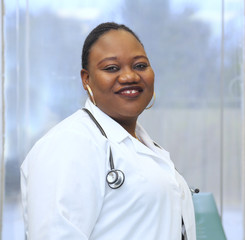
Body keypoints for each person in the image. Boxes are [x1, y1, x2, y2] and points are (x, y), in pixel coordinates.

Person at [20, 22, 196, 240]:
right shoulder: (69, 144)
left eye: (140, 65)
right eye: (111, 68)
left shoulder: (142, 145)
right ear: (86, 79)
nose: (129, 76)